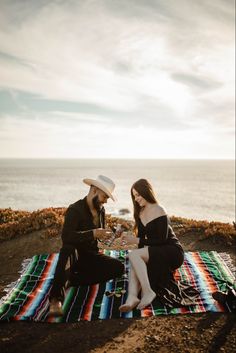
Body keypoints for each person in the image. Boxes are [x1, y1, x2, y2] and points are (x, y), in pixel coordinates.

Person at [119, 179, 199, 312]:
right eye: (134, 196)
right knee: (134, 259)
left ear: (146, 192)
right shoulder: (140, 213)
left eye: (138, 195)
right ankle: (132, 297)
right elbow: (143, 241)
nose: (136, 199)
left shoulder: (159, 210)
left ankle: (147, 291)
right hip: (156, 250)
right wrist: (140, 257)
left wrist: (137, 241)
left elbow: (162, 240)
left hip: (172, 252)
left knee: (134, 255)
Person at [49, 175, 124, 316]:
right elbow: (67, 237)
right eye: (105, 197)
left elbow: (100, 235)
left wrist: (113, 233)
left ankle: (72, 279)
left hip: (91, 256)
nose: (106, 201)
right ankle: (55, 300)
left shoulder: (101, 210)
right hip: (75, 256)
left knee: (118, 268)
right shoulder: (75, 210)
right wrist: (92, 234)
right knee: (67, 249)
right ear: (94, 190)